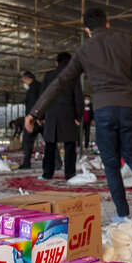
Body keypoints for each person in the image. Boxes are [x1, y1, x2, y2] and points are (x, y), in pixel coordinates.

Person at [25, 8, 132, 225]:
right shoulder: (125, 41)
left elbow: (61, 82)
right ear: (107, 24)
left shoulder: (84, 50)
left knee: (110, 163)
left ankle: (122, 213)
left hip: (104, 109)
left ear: (87, 30)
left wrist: (36, 111)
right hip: (130, 107)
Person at [39, 52, 83, 180]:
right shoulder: (73, 76)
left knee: (50, 145)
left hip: (51, 114)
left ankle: (47, 173)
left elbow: (43, 96)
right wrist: (78, 116)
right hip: (68, 115)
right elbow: (78, 98)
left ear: (56, 63)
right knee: (69, 145)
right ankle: (69, 174)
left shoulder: (48, 76)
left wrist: (40, 115)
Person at [19, 71, 42, 169]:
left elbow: (32, 104)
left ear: (27, 79)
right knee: (50, 141)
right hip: (42, 118)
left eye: (23, 80)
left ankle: (26, 163)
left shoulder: (32, 89)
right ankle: (57, 163)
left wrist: (31, 117)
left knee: (27, 140)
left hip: (33, 119)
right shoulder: (41, 86)